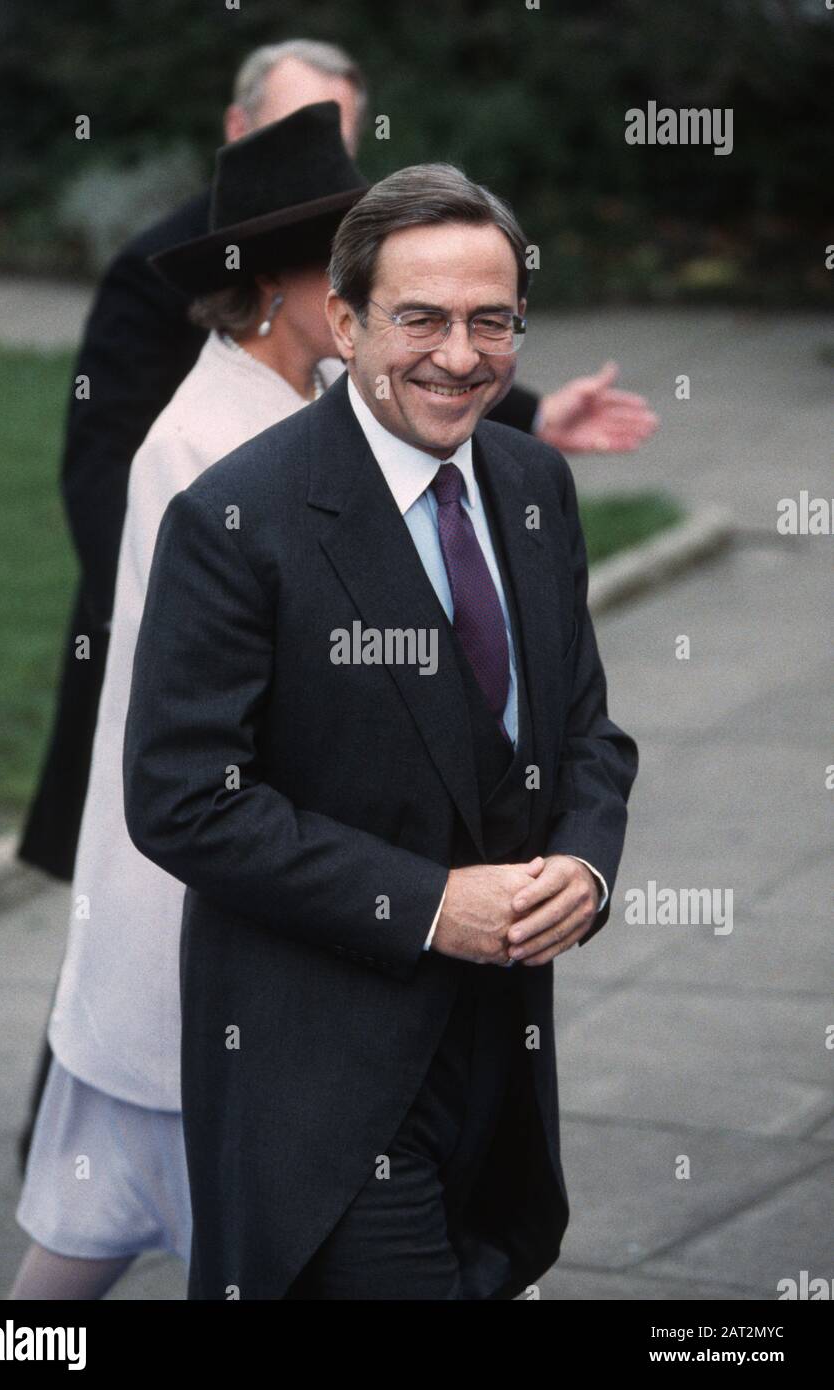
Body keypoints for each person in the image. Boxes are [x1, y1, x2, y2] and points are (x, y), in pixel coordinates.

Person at [122, 162, 639, 1300]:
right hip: (321, 1076)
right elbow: (182, 798)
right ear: (346, 322)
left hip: (499, 1058)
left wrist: (589, 866)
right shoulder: (233, 518)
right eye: (421, 318)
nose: (460, 356)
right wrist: (426, 905)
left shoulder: (533, 480)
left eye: (489, 320)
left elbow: (588, 730)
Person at [9, 104, 367, 1301]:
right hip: (197, 900)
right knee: (119, 1219)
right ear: (271, 281)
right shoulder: (205, 442)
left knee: (124, 1221)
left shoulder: (290, 408)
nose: (367, 284)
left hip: (223, 900)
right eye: (343, 259)